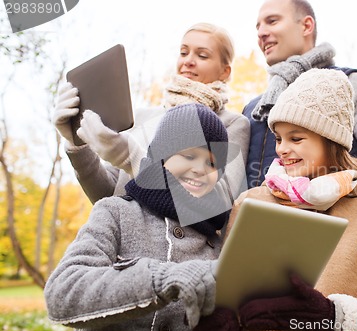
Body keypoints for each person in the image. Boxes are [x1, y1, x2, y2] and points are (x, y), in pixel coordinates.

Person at [196, 69, 357, 331]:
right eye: (278, 138)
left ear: (330, 142)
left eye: (295, 138)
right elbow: (223, 284)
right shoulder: (251, 202)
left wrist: (332, 314)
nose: (282, 149)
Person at [243, 0, 357, 243]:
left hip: (333, 260)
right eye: (257, 27)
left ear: (306, 25)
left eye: (272, 21)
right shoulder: (254, 108)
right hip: (256, 253)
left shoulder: (352, 84)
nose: (261, 32)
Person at [45, 103, 232, 331]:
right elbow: (61, 295)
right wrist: (161, 279)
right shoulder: (115, 212)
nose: (200, 169)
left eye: (212, 163)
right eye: (189, 154)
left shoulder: (219, 243)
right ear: (160, 155)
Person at [53, 22, 249, 204]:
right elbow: (107, 195)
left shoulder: (232, 123)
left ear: (225, 71)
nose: (188, 61)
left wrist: (132, 159)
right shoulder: (141, 117)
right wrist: (76, 144)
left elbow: (221, 201)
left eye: (202, 55)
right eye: (183, 52)